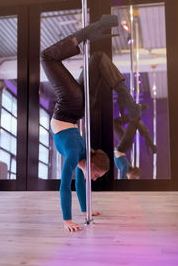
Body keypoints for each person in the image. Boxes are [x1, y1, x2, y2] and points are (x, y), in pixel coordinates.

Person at [40, 15, 144, 232]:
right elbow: (70, 186)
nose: (93, 180)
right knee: (49, 57)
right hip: (72, 105)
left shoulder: (79, 155)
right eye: (96, 176)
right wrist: (70, 218)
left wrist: (83, 213)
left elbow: (73, 186)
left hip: (75, 106)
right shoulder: (78, 154)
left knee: (96, 58)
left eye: (96, 177)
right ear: (93, 164)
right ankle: (126, 99)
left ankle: (95, 29)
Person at [114, 113, 157, 179]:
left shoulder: (126, 167)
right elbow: (122, 181)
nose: (130, 179)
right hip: (124, 146)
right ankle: (150, 142)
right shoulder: (126, 167)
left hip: (123, 145)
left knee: (115, 123)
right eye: (133, 179)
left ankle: (149, 142)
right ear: (132, 175)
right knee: (135, 120)